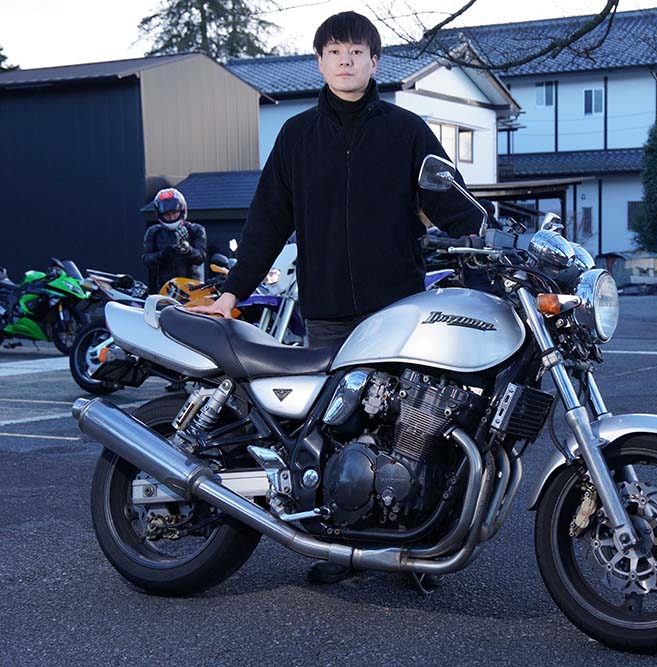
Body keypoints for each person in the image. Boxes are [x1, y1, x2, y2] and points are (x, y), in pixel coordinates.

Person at [191, 11, 486, 586]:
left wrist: (493, 239)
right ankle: (337, 547)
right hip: (326, 308)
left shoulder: (407, 132)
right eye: (333, 52)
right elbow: (267, 222)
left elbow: (454, 203)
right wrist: (231, 293)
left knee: (409, 425)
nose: (345, 61)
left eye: (355, 52)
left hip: (398, 307)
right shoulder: (297, 136)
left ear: (375, 62)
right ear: (320, 62)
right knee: (333, 429)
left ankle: (412, 551)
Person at [142, 188, 208, 292]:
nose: (172, 217)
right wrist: (163, 254)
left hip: (192, 287)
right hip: (164, 288)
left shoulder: (196, 229)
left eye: (174, 212)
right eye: (167, 214)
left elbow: (201, 257)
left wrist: (187, 249)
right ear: (160, 214)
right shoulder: (154, 232)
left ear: (181, 211)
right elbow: (146, 259)